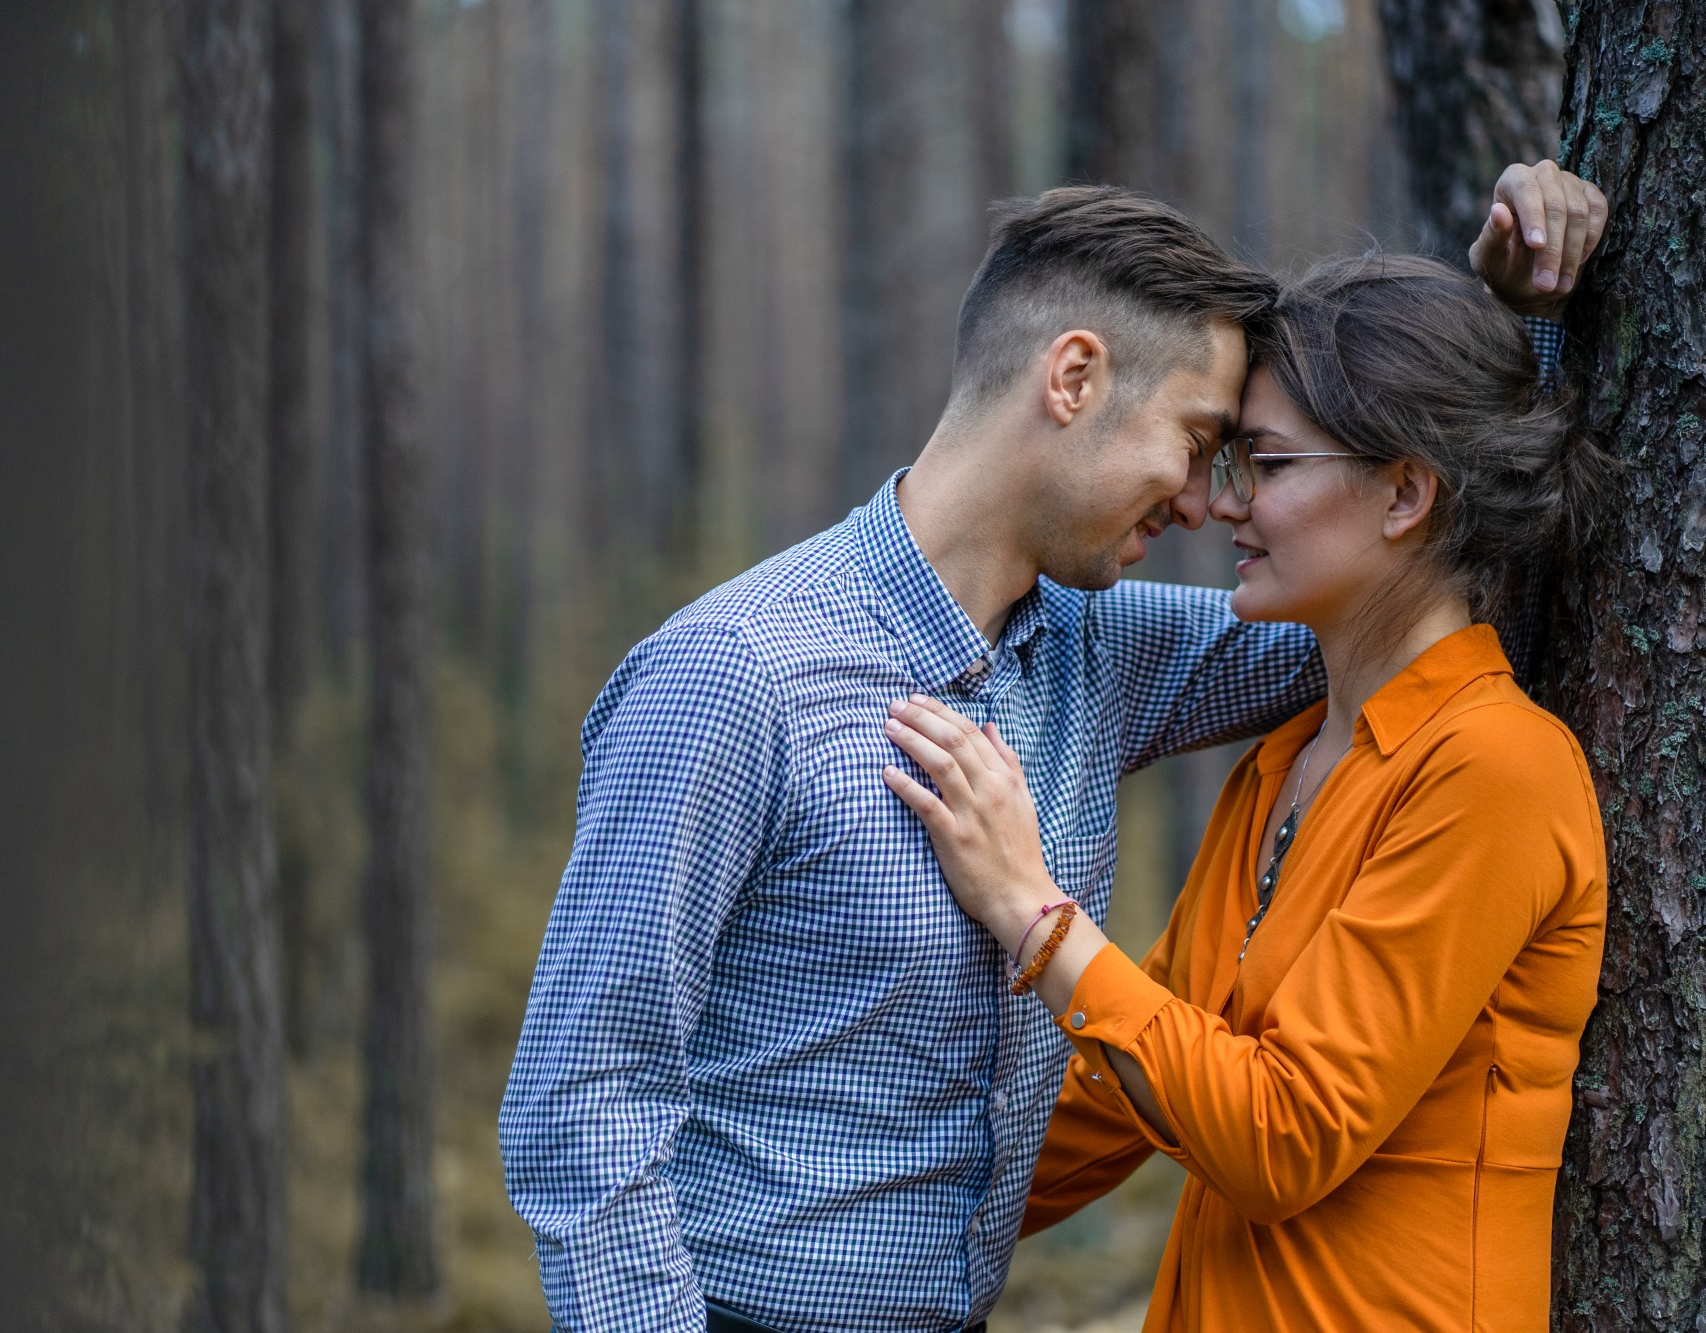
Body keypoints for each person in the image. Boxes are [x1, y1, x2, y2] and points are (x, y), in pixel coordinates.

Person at [502, 161, 1601, 1331]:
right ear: (1072, 378)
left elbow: (1413, 585)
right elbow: (585, 1097)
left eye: (1246, 461)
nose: (1200, 501)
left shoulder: (1105, 656)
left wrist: (1525, 324)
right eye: (1194, 442)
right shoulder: (732, 675)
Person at [880, 176, 1610, 1330]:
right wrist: (850, 1209)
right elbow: (1133, 1091)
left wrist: (1033, 916)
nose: (1219, 504)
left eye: (1262, 465)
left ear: (1403, 493)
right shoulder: (1281, 761)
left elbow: (1284, 1135)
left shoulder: (1496, 771)